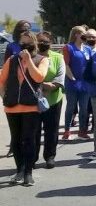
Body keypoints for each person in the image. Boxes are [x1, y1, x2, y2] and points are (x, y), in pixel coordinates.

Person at [0, 31, 49, 186]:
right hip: (12, 107)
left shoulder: (42, 59)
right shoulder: (12, 60)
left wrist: (29, 61)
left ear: (34, 43)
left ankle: (28, 172)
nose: (24, 44)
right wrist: (4, 96)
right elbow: (2, 80)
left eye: (28, 42)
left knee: (28, 140)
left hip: (31, 106)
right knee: (16, 140)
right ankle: (19, 170)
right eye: (22, 42)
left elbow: (39, 77)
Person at [33, 31, 65, 169]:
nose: (42, 44)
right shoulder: (31, 57)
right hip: (33, 100)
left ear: (50, 43)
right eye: (39, 42)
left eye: (45, 42)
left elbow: (60, 76)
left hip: (53, 99)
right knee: (34, 130)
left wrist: (49, 85)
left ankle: (50, 156)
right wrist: (43, 84)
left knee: (51, 129)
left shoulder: (58, 57)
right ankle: (32, 157)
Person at [62, 25, 91, 141]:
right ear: (76, 34)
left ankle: (82, 131)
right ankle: (67, 131)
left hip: (85, 83)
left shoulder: (87, 49)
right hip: (72, 82)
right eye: (83, 33)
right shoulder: (68, 48)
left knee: (84, 108)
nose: (85, 35)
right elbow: (66, 65)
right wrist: (72, 78)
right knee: (70, 107)